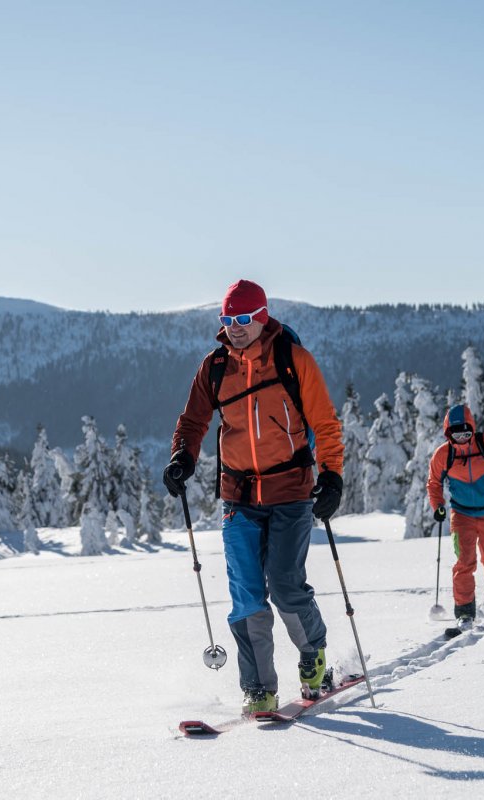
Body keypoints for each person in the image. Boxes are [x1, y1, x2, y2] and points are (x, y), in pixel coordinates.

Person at [163, 279, 345, 713]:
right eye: (227, 319)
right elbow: (193, 421)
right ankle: (259, 688)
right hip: (239, 497)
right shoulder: (215, 367)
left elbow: (325, 423)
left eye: (243, 319)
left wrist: (333, 476)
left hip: (291, 492)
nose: (236, 327)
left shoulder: (292, 359)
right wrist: (182, 457)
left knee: (284, 585)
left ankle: (313, 652)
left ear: (262, 317)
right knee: (246, 594)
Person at [427, 404, 484, 629]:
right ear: (448, 432)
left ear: (473, 429)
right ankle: (465, 612)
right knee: (464, 563)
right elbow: (434, 483)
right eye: (456, 433)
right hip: (462, 514)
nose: (461, 437)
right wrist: (438, 505)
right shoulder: (443, 455)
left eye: (466, 432)